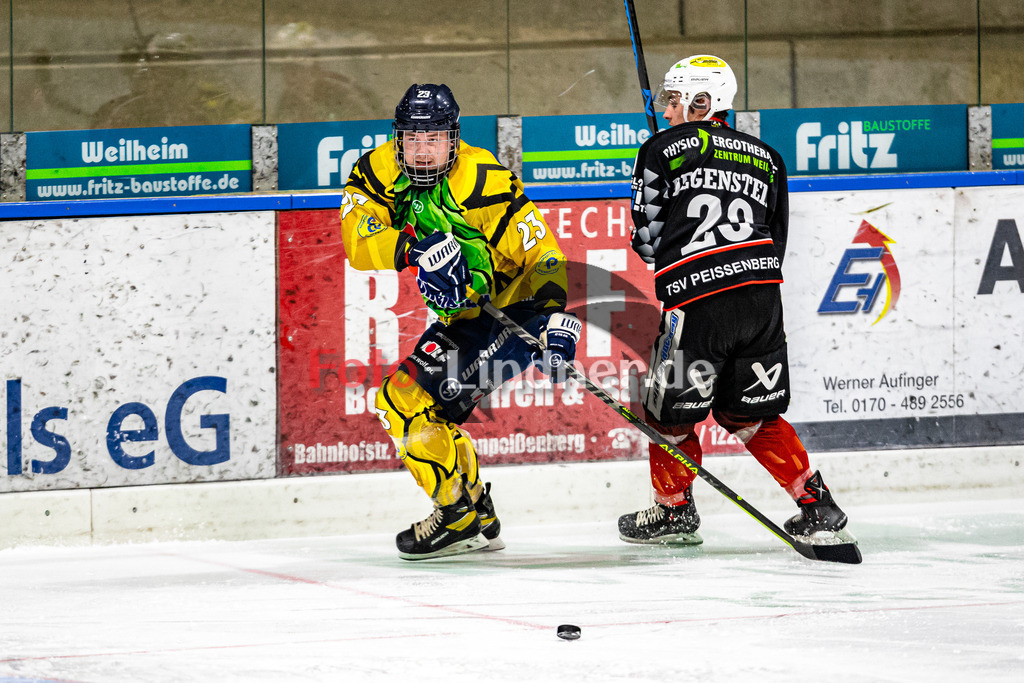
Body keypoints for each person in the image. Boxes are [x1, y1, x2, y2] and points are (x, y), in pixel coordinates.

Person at [340, 84, 580, 560]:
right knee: (426, 413)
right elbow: (356, 238)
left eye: (433, 139)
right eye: (412, 139)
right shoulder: (376, 172)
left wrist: (554, 316)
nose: (422, 150)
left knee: (400, 399)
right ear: (397, 138)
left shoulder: (483, 181)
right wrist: (413, 251)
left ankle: (457, 519)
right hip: (470, 316)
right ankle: (478, 514)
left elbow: (542, 251)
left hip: (515, 314)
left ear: (453, 139)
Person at [619, 55, 850, 544]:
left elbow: (646, 239)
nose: (666, 110)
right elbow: (778, 236)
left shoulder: (660, 148)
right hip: (762, 300)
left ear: (701, 102)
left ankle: (674, 512)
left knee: (666, 414)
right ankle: (817, 506)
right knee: (752, 412)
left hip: (699, 303)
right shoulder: (768, 157)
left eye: (674, 100)